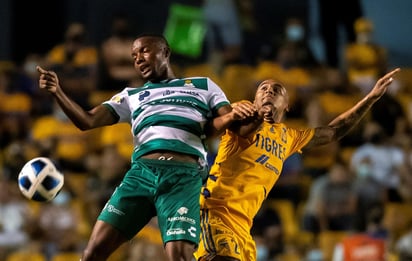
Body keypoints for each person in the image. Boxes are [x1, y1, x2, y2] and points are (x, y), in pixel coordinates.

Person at [37, 33, 249, 261]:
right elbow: (86, 121)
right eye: (134, 55)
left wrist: (239, 115)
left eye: (145, 51)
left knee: (180, 257)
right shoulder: (131, 95)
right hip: (141, 174)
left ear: (165, 53)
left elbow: (231, 123)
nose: (138, 59)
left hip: (183, 177)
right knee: (92, 253)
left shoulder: (203, 85)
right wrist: (57, 92)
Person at [194, 67, 400, 261]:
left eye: (277, 90)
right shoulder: (242, 114)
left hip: (243, 226)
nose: (269, 92)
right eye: (263, 89)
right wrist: (257, 113)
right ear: (254, 99)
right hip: (216, 213)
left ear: (287, 105)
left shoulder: (288, 137)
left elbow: (333, 131)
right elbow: (241, 127)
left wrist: (370, 98)